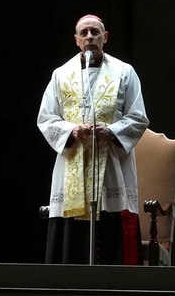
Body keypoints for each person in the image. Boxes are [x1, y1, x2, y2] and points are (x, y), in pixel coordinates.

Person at [38, 14, 149, 264]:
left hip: (111, 166)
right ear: (76, 40)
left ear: (105, 37)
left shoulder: (124, 72)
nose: (90, 37)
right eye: (84, 33)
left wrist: (111, 131)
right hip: (72, 165)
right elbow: (46, 118)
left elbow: (138, 117)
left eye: (95, 32)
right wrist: (71, 131)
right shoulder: (60, 75)